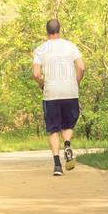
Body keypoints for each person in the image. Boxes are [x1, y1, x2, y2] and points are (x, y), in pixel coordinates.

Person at [32, 19, 85, 176]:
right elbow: (81, 67)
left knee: (53, 129)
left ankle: (57, 166)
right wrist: (76, 82)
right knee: (68, 125)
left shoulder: (40, 49)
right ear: (59, 29)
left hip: (51, 94)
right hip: (70, 91)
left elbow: (35, 74)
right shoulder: (71, 46)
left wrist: (42, 84)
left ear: (47, 31)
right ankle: (67, 145)